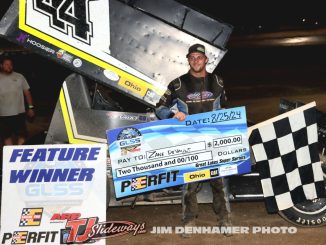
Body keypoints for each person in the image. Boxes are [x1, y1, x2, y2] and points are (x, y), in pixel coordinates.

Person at [155, 43, 232, 236]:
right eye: (192, 58)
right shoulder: (178, 84)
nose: (196, 61)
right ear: (188, 60)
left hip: (215, 141)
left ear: (206, 60)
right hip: (189, 143)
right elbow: (159, 107)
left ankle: (225, 220)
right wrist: (172, 116)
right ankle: (189, 221)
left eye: (200, 57)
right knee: (189, 185)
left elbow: (226, 109)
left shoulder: (219, 82)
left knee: (219, 183)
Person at [0, 57, 35, 145]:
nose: (9, 66)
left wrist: (31, 107)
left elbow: (27, 92)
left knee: (22, 135)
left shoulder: (20, 76)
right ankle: (11, 154)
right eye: (6, 64)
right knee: (6, 136)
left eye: (11, 64)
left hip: (19, 113)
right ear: (1, 66)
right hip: (3, 114)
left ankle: (18, 152)